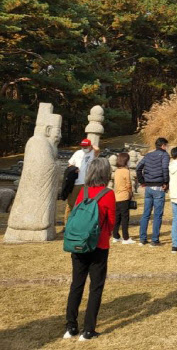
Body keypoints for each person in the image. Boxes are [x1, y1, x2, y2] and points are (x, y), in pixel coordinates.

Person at [64, 158, 116, 341]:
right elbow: (111, 221)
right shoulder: (108, 194)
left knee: (76, 285)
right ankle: (88, 330)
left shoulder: (83, 191)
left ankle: (70, 326)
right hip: (99, 244)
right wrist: (107, 233)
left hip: (78, 243)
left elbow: (75, 212)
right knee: (96, 287)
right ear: (106, 173)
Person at [136, 137, 170, 247]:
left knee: (146, 214)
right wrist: (166, 182)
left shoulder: (148, 155)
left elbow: (138, 168)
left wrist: (142, 181)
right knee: (157, 215)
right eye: (166, 146)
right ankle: (154, 240)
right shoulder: (165, 155)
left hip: (148, 187)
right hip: (159, 186)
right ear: (163, 145)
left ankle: (142, 238)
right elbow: (165, 168)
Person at [66, 139, 100, 224]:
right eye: (83, 146)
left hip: (87, 183)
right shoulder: (77, 153)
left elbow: (97, 149)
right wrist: (74, 169)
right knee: (71, 202)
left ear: (90, 146)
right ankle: (67, 223)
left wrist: (91, 146)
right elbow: (70, 164)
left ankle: (83, 222)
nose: (84, 148)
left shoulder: (93, 153)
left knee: (86, 203)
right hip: (76, 182)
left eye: (86, 146)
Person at [112, 152, 134, 244]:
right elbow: (128, 184)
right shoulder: (126, 171)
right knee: (125, 218)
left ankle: (115, 235)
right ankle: (126, 237)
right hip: (124, 196)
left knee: (117, 217)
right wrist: (131, 193)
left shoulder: (117, 171)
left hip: (116, 196)